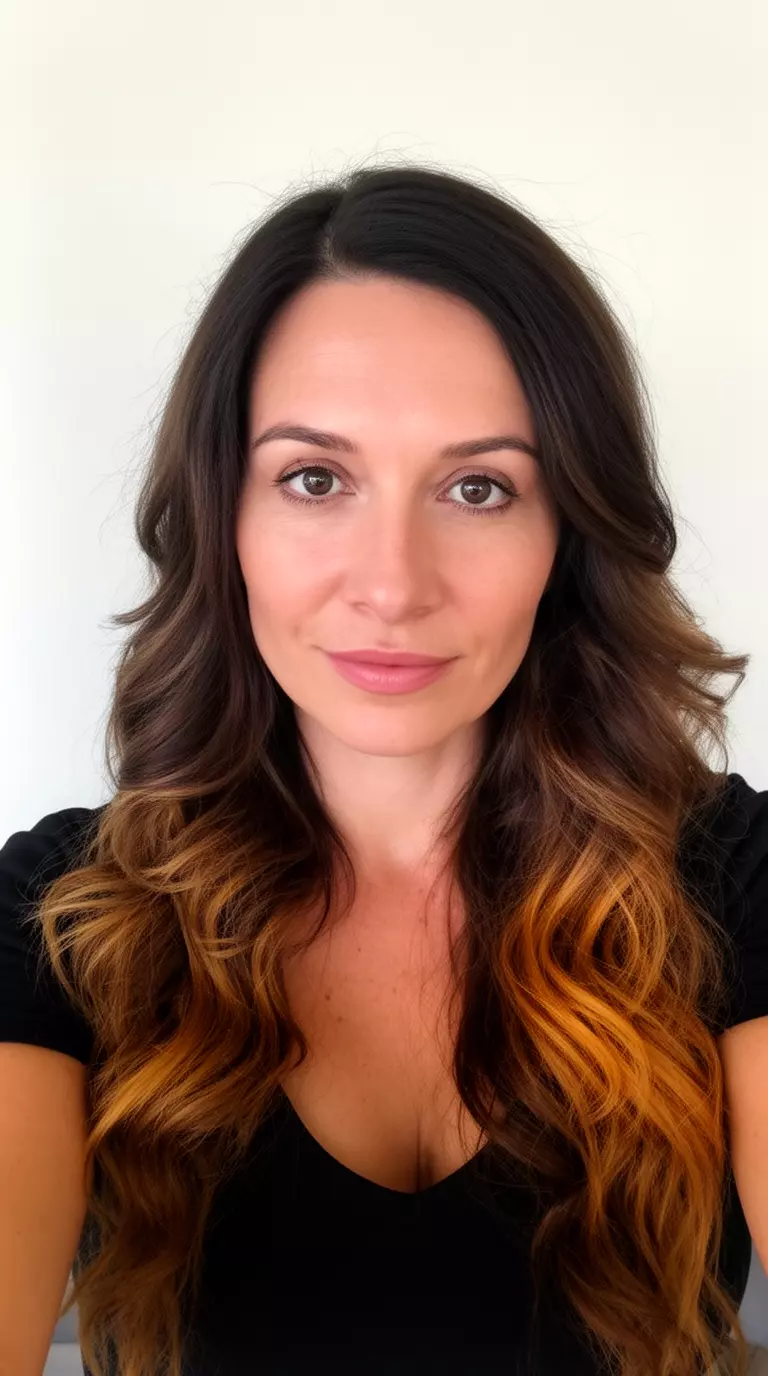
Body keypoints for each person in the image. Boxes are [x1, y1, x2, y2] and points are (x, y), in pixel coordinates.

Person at [1, 163, 767, 1376]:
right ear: (224, 514)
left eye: (479, 487)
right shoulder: (59, 917)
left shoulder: (734, 880)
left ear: (568, 533)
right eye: (316, 478)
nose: (394, 583)